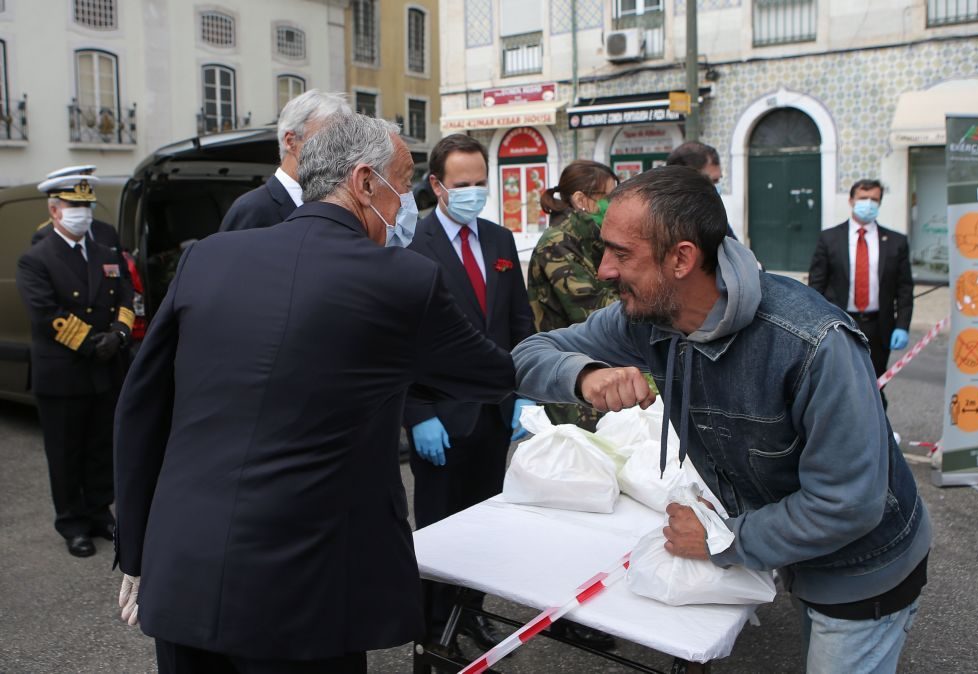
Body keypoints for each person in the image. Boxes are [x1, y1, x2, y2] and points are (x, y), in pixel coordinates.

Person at [113, 112, 516, 673]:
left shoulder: (207, 258)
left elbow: (141, 408)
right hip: (308, 590)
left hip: (185, 567)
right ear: (364, 182)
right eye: (402, 185)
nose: (405, 205)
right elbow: (492, 373)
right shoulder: (404, 280)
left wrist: (137, 548)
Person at [512, 166, 931, 674]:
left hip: (864, 571)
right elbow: (529, 353)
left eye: (622, 254)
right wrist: (585, 375)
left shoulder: (812, 344)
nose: (603, 269)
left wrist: (723, 539)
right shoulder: (647, 317)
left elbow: (846, 504)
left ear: (682, 258)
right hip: (792, 551)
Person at [402, 133, 534, 654]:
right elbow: (401, 339)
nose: (474, 192)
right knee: (440, 530)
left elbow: (519, 324)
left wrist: (525, 391)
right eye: (463, 184)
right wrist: (417, 413)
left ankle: (470, 615)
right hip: (440, 417)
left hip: (495, 413)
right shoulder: (414, 243)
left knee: (485, 526)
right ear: (437, 185)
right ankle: (432, 631)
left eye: (481, 182)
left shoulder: (500, 242)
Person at [16, 174, 135, 558]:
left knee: (101, 445)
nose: (81, 214)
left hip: (104, 367)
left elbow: (125, 295)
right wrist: (90, 343)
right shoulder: (36, 258)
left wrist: (117, 334)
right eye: (73, 206)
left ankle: (99, 511)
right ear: (54, 211)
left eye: (86, 206)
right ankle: (72, 523)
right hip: (64, 371)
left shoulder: (104, 251)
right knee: (66, 452)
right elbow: (44, 313)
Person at [527, 159, 619, 431]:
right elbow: (596, 310)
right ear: (582, 199)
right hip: (573, 387)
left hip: (599, 374)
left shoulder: (592, 238)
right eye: (610, 196)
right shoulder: (557, 244)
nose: (615, 204)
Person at [808, 179, 914, 384]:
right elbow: (816, 286)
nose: (868, 203)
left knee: (874, 387)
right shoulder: (829, 238)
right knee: (838, 384)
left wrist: (902, 325)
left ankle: (877, 416)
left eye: (874, 199)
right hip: (839, 324)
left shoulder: (896, 242)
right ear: (851, 200)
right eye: (863, 198)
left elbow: (904, 288)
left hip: (878, 326)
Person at [218, 89, 350, 232]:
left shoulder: (338, 208)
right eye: (326, 141)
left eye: (343, 143)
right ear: (291, 141)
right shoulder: (251, 209)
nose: (339, 153)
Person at [32, 165, 122, 252]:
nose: (82, 209)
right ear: (54, 209)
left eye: (87, 204)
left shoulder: (107, 231)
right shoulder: (45, 235)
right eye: (74, 204)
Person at [666, 142, 738, 240]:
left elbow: (736, 252)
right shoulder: (655, 222)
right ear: (685, 181)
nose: (716, 187)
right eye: (712, 181)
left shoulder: (714, 217)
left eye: (718, 180)